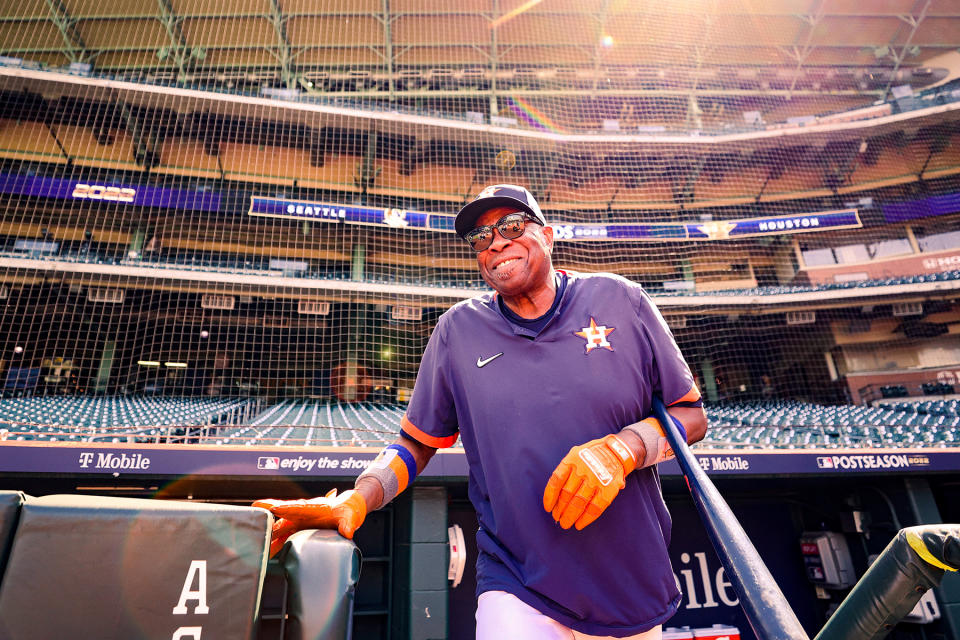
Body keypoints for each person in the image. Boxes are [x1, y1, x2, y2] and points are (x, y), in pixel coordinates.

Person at [254, 184, 708, 639]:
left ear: (547, 236)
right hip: (515, 577)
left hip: (626, 576)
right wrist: (360, 495)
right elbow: (416, 443)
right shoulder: (457, 330)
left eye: (512, 225)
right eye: (480, 236)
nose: (496, 241)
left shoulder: (620, 299)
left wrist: (622, 450)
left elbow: (690, 416)